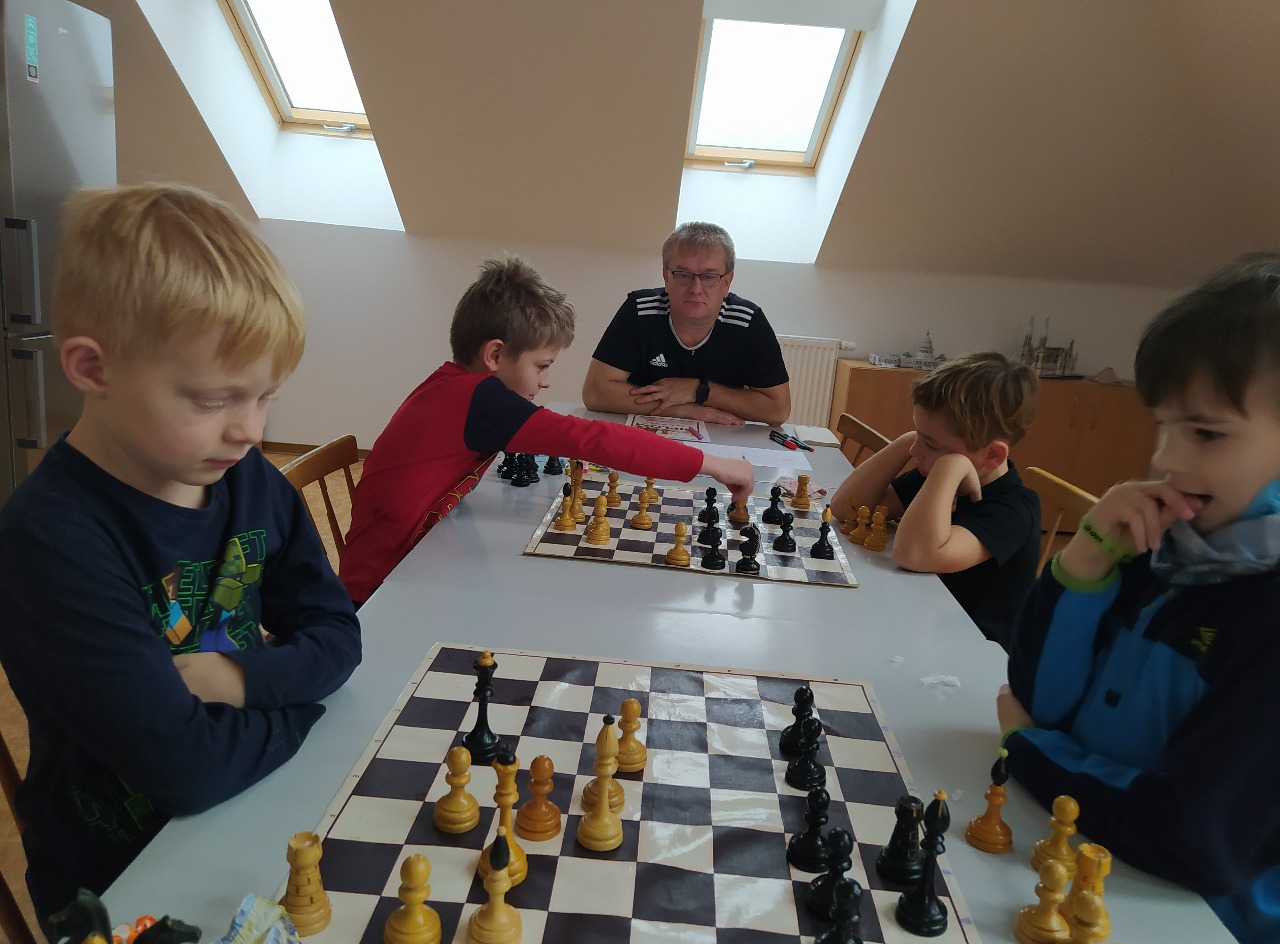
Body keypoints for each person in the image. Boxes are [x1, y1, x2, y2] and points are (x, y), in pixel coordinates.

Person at [0, 184, 362, 921]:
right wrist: (304, 702)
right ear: (93, 369)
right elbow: (187, 769)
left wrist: (240, 679)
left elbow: (337, 633)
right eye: (212, 400)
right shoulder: (49, 539)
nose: (250, 431)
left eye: (266, 396)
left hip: (255, 815)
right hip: (117, 891)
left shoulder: (250, 482)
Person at [998, 255, 1280, 944]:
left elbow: (1194, 835)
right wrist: (1084, 564)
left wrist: (1030, 751)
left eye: (1206, 433)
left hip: (1204, 929)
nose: (1165, 459)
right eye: (1163, 426)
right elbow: (1041, 699)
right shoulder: (1170, 548)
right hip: (1102, 861)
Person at [339, 256, 755, 606]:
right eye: (542, 366)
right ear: (495, 355)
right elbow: (592, 440)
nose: (547, 381)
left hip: (404, 565)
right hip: (379, 591)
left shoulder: (452, 384)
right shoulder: (481, 399)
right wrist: (711, 463)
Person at [830, 352, 1040, 651]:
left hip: (972, 654)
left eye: (930, 444)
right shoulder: (933, 471)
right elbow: (846, 508)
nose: (916, 452)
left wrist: (950, 466)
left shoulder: (1015, 510)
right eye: (919, 435)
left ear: (992, 455)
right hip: (919, 623)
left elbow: (914, 554)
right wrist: (908, 440)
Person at [581, 221, 791, 427]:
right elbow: (595, 393)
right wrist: (685, 410)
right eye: (683, 275)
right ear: (666, 276)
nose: (696, 289)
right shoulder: (640, 310)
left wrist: (699, 391)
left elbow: (778, 410)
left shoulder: (748, 321)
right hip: (646, 433)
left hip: (721, 436)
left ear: (726, 283)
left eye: (709, 277)